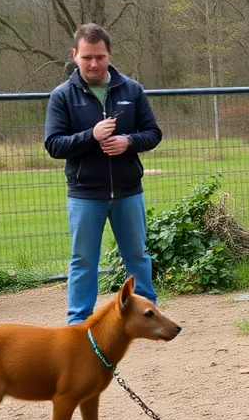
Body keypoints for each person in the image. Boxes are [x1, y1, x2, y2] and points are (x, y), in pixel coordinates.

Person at [45, 24, 162, 324]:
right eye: (86, 57)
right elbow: (54, 145)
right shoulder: (62, 96)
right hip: (86, 194)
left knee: (137, 257)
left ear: (109, 54)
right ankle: (79, 323)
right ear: (74, 55)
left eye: (100, 56)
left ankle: (147, 316)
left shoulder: (132, 90)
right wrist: (91, 136)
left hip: (128, 191)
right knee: (83, 261)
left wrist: (129, 142)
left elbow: (153, 133)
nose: (93, 63)